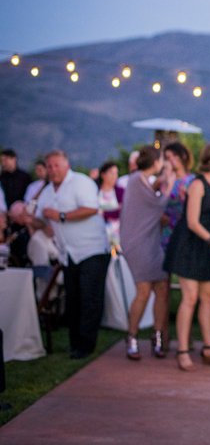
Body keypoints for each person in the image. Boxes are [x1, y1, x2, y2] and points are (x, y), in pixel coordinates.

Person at [164, 142, 210, 371]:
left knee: (208, 296)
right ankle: (183, 351)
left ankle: (209, 348)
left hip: (207, 244)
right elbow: (193, 222)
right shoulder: (197, 184)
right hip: (188, 243)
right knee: (190, 298)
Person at [34, 150, 110, 359]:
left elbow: (91, 209)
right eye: (49, 166)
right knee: (73, 299)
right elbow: (42, 219)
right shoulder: (47, 191)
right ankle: (75, 342)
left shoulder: (81, 182)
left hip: (91, 249)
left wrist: (61, 215)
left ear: (66, 165)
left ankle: (86, 345)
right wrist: (30, 219)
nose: (52, 170)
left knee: (89, 298)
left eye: (56, 165)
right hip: (67, 253)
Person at [120, 146, 173, 360]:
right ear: (156, 161)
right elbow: (158, 203)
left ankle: (157, 336)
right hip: (137, 242)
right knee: (143, 289)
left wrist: (160, 184)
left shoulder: (142, 180)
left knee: (161, 288)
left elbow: (151, 199)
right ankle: (132, 336)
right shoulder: (136, 180)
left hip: (152, 242)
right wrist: (169, 183)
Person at [161, 142, 195, 252]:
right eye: (167, 157)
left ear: (182, 156)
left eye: (174, 156)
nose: (171, 160)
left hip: (184, 231)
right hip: (166, 231)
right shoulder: (164, 181)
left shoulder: (192, 181)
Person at [97, 161, 123, 251]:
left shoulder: (121, 191)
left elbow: (123, 211)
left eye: (116, 173)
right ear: (103, 175)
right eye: (111, 173)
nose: (114, 176)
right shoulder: (95, 192)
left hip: (119, 235)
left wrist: (104, 213)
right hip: (100, 234)